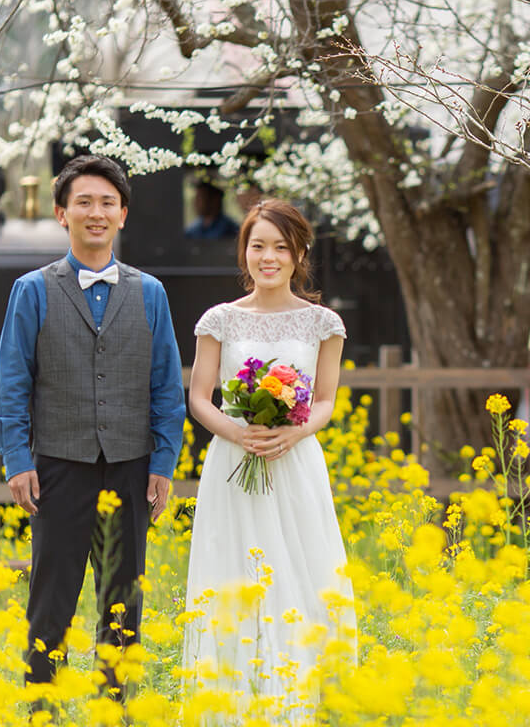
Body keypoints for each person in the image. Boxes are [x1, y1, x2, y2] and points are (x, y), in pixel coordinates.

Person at [0, 154, 186, 695]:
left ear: (123, 214)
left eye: (107, 203)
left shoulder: (150, 293)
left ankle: (113, 708)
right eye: (83, 203)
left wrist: (163, 463)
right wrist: (18, 460)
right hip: (57, 466)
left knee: (124, 602)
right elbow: (12, 384)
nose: (95, 213)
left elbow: (167, 387)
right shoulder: (32, 290)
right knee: (50, 600)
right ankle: (42, 706)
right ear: (61, 214)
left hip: (131, 465)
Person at [182, 199, 354, 709]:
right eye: (258, 246)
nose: (269, 257)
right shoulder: (220, 320)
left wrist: (294, 433)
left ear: (300, 252)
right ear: (245, 253)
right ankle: (232, 702)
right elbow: (198, 397)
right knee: (235, 570)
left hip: (295, 462)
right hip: (233, 465)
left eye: (281, 247)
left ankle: (299, 699)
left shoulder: (323, 323)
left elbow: (325, 400)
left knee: (300, 568)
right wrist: (236, 434)